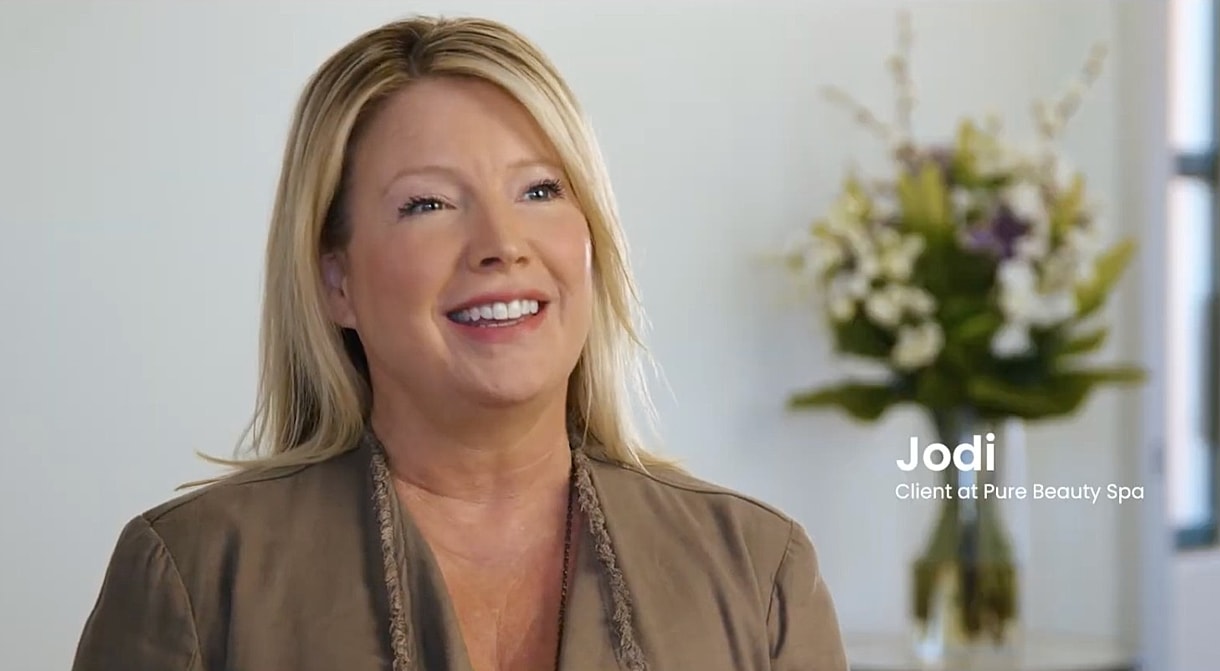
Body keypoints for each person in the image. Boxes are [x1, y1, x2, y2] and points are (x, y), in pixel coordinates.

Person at [70, 14, 847, 671]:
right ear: (336, 280)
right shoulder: (196, 576)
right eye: (429, 204)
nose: (502, 244)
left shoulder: (759, 571)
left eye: (540, 189)